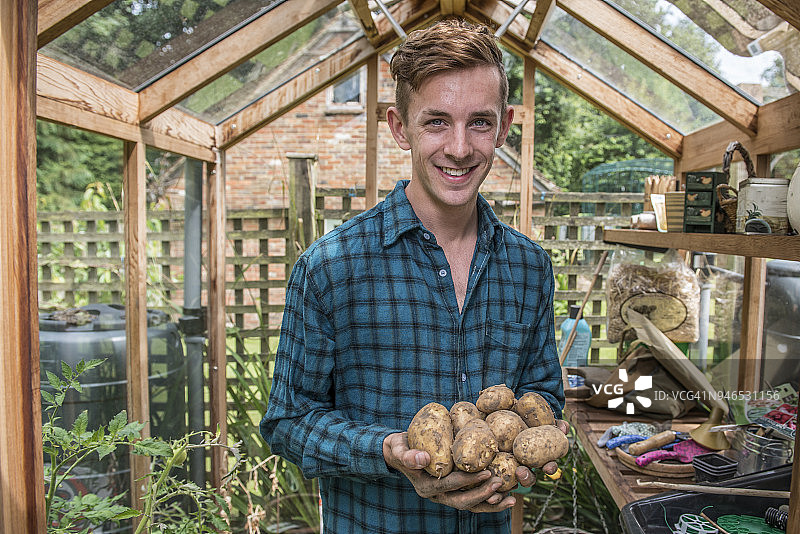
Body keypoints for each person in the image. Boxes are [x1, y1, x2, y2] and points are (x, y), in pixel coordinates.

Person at [261, 18, 567, 534]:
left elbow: (542, 394)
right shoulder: (332, 266)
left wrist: (528, 455)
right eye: (436, 122)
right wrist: (384, 451)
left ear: (506, 126)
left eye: (480, 122)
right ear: (399, 127)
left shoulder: (528, 267)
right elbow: (288, 422)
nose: (459, 147)